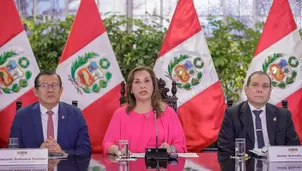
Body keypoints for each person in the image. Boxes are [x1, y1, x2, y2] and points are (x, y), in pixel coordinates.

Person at [103, 66, 186, 155]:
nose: (142, 86)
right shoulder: (120, 114)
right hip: (130, 166)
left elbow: (181, 145)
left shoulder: (168, 112)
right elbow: (107, 144)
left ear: (153, 86)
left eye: (147, 81)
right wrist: (117, 150)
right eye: (137, 82)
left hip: (160, 167)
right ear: (131, 89)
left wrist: (170, 149)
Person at [10, 70, 92, 156]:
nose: (50, 90)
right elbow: (13, 151)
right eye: (44, 86)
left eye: (55, 85)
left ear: (61, 90)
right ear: (35, 91)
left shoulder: (75, 114)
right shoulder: (22, 116)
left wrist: (62, 153)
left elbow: (85, 150)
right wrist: (37, 153)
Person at [218, 71, 300, 155]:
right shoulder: (232, 114)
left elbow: (293, 147)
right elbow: (225, 149)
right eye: (254, 85)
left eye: (265, 86)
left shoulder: (283, 115)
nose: (260, 90)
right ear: (246, 90)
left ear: (270, 92)